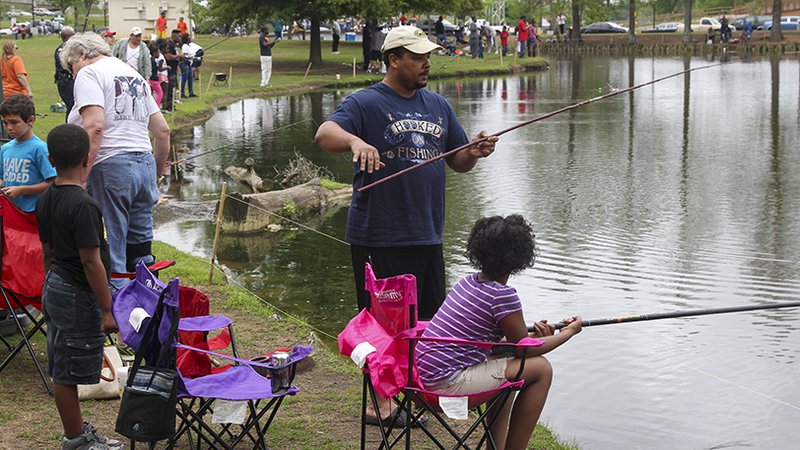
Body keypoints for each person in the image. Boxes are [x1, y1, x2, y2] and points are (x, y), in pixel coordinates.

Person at [315, 25, 498, 424]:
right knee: (378, 326)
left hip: (427, 233)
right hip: (378, 235)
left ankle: (416, 395)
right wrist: (356, 143)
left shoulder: (437, 105)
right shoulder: (365, 102)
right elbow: (325, 133)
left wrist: (476, 151)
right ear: (393, 59)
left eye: (427, 56)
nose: (426, 63)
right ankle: (378, 406)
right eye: (417, 57)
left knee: (427, 322)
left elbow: (458, 160)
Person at [416, 215, 582, 450]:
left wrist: (535, 338)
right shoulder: (503, 296)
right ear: (519, 256)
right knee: (541, 369)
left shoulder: (466, 282)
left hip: (421, 377)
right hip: (444, 383)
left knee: (509, 364)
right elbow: (523, 349)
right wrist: (569, 333)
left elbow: (507, 345)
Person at [37, 124, 122, 450]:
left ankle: (76, 432)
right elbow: (91, 262)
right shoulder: (85, 206)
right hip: (76, 292)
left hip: (55, 283)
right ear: (88, 158)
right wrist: (106, 308)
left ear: (50, 158)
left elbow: (47, 252)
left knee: (61, 365)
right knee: (68, 371)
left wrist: (49, 283)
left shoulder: (46, 198)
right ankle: (76, 440)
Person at [61, 32, 170, 284]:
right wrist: (155, 175)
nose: (73, 74)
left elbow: (95, 127)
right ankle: (148, 307)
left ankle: (117, 313)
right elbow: (162, 132)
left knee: (116, 251)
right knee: (141, 250)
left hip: (111, 165)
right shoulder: (135, 74)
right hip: (144, 160)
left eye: (71, 67)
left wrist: (82, 176)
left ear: (81, 55)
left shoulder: (89, 73)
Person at [0, 95, 56, 212]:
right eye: (5, 123)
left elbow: (52, 182)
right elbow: (2, 178)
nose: (9, 128)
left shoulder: (40, 148)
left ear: (30, 120)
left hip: (33, 214)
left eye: (14, 122)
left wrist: (22, 190)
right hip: (10, 213)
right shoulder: (5, 148)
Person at [55, 26, 77, 120]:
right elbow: (65, 65)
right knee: (71, 106)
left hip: (70, 80)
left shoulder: (70, 48)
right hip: (66, 82)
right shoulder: (62, 50)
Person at [163, 30, 181, 111]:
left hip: (174, 69)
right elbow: (168, 56)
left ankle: (171, 105)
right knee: (169, 89)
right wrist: (179, 56)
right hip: (169, 71)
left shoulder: (174, 45)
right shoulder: (170, 45)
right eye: (178, 36)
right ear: (174, 36)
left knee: (172, 88)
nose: (180, 38)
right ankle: (168, 106)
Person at [179, 33, 197, 97]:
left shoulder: (189, 46)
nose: (190, 38)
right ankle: (182, 93)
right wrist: (191, 58)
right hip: (184, 64)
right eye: (189, 37)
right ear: (187, 39)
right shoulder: (184, 46)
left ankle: (191, 93)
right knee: (184, 79)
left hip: (189, 64)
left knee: (190, 78)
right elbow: (185, 56)